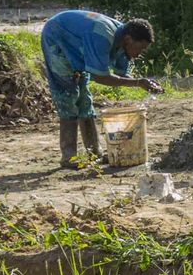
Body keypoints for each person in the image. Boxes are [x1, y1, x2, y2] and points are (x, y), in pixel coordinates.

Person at [39, 10, 162, 167]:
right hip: (56, 38)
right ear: (128, 39)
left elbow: (121, 75)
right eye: (140, 49)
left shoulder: (124, 43)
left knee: (85, 102)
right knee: (68, 97)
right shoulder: (102, 36)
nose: (139, 54)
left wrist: (145, 84)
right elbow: (100, 77)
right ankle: (69, 157)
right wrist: (139, 83)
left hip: (78, 48)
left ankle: (94, 153)